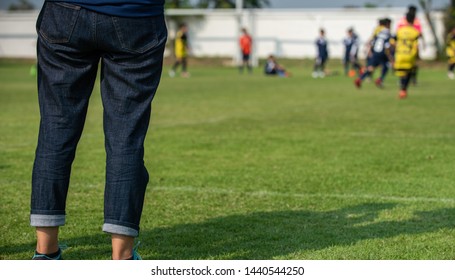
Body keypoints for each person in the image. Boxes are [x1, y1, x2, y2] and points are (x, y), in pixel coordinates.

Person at [30, 0, 167, 260]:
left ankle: (45, 253)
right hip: (136, 15)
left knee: (55, 129)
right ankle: (122, 257)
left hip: (65, 12)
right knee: (126, 137)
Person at [355, 18, 393, 89]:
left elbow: (372, 41)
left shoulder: (378, 31)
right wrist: (390, 56)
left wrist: (368, 50)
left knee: (370, 68)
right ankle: (380, 79)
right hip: (382, 52)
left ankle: (360, 79)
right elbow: (387, 45)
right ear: (387, 24)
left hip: (375, 51)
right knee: (386, 66)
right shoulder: (387, 32)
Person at [394, 12, 420, 99]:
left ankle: (402, 89)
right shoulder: (415, 32)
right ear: (413, 20)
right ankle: (404, 89)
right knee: (409, 72)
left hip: (400, 54)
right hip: (410, 55)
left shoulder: (399, 31)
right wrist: (417, 55)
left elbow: (393, 42)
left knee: (402, 73)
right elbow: (416, 46)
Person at [396, 5, 424, 85]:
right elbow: (419, 34)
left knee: (402, 66)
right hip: (411, 48)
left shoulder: (402, 21)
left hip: (401, 48)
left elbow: (397, 34)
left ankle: (403, 82)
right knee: (413, 64)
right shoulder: (416, 21)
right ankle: (412, 79)